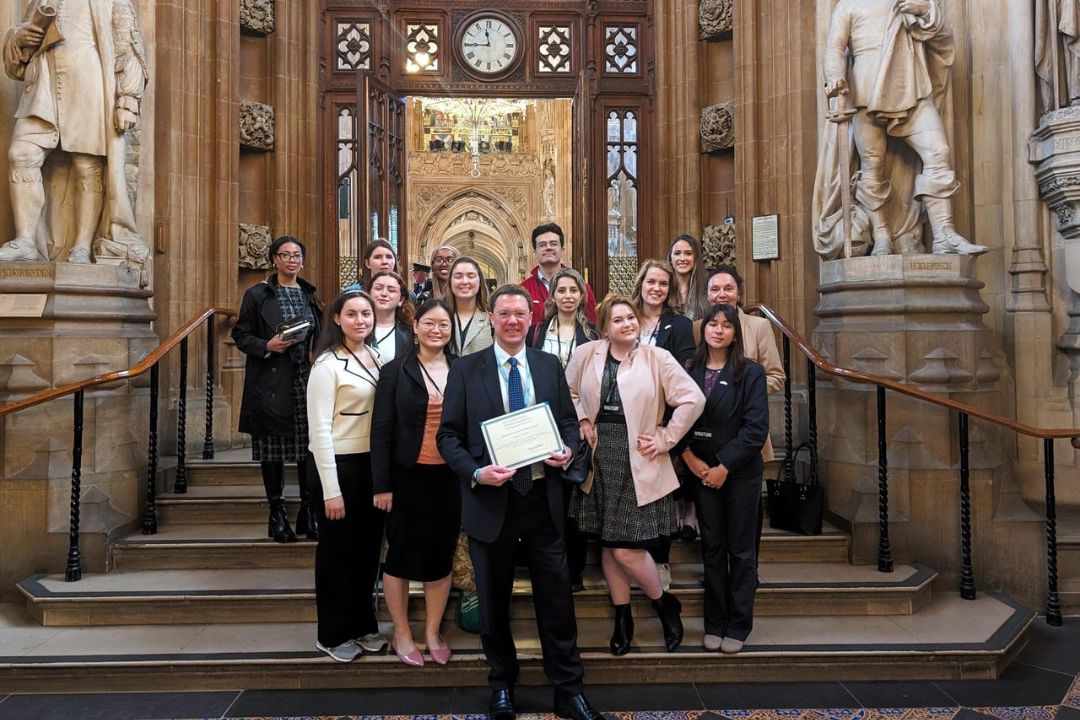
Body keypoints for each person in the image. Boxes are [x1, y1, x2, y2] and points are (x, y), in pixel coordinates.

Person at [437, 285, 603, 720]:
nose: (512, 321)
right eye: (504, 314)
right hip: (492, 501)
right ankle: (501, 686)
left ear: (531, 319)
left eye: (520, 314)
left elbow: (567, 423)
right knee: (493, 603)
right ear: (491, 318)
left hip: (543, 500)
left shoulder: (548, 366)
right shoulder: (466, 369)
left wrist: (567, 450)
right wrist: (477, 473)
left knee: (557, 600)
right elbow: (448, 437)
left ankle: (568, 689)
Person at [565, 296, 705, 657]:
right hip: (600, 457)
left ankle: (663, 603)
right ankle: (622, 618)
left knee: (624, 548)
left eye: (631, 317)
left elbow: (693, 398)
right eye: (618, 319)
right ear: (604, 327)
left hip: (639, 459)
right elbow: (569, 392)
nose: (627, 323)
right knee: (610, 543)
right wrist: (582, 419)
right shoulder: (586, 354)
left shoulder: (657, 357)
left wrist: (667, 437)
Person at [816, 0, 986, 257]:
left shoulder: (907, 0)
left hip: (909, 87)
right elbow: (835, 47)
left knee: (938, 151)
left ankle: (944, 235)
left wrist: (925, 11)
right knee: (872, 166)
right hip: (865, 91)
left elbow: (942, 38)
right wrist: (835, 76)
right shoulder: (848, 6)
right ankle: (882, 236)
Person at [0, 0, 148, 268]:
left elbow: (128, 44)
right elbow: (18, 60)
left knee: (87, 164)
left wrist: (128, 100)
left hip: (88, 82)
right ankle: (26, 241)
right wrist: (19, 38)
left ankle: (81, 246)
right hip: (43, 85)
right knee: (21, 154)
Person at [371, 299, 459, 668]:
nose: (436, 330)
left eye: (444, 324)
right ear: (416, 326)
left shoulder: (463, 368)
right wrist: (381, 485)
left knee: (440, 555)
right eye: (429, 323)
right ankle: (402, 631)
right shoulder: (395, 371)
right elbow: (381, 430)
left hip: (449, 477)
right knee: (401, 556)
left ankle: (433, 632)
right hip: (406, 475)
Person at [679, 303, 768, 655]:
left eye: (726, 325)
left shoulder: (751, 372)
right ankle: (714, 622)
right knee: (712, 548)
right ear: (703, 330)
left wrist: (723, 467)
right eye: (712, 324)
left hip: (739, 474)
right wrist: (690, 459)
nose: (718, 330)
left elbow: (755, 429)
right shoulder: (689, 369)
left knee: (741, 551)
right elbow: (675, 417)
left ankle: (738, 624)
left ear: (735, 332)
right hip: (701, 471)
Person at [305, 289, 388, 662]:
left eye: (366, 314)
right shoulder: (327, 365)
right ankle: (332, 633)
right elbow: (320, 431)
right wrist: (331, 490)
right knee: (337, 554)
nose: (360, 320)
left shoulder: (377, 357)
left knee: (367, 552)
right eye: (352, 314)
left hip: (370, 466)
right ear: (337, 319)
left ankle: (363, 624)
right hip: (337, 465)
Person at [232, 236, 321, 543]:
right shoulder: (257, 294)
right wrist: (266, 345)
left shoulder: (309, 295)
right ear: (274, 259)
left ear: (302, 261)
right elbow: (240, 334)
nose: (291, 260)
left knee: (307, 448)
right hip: (271, 381)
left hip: (304, 380)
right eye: (285, 255)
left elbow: (319, 335)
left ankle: (308, 510)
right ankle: (277, 513)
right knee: (273, 450)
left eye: (296, 255)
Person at [525, 267, 598, 592]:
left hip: (577, 423)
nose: (568, 296)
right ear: (552, 296)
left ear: (581, 296)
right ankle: (541, 564)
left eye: (573, 290)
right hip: (538, 421)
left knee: (572, 498)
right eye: (562, 290)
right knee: (540, 495)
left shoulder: (592, 334)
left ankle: (573, 569)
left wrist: (583, 418)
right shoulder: (536, 333)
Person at [521, 223, 598, 326]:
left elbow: (592, 325)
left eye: (553, 244)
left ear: (562, 250)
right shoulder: (524, 289)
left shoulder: (581, 288)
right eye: (542, 245)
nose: (548, 248)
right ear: (535, 252)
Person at [629, 260, 696, 367]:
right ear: (641, 284)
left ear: (670, 289)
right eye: (651, 282)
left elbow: (687, 368)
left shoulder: (682, 325)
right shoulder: (625, 321)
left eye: (663, 284)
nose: (656, 288)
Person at [448, 256, 493, 356]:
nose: (464, 281)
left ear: (480, 281)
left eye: (471, 276)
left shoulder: (492, 317)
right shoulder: (441, 315)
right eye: (458, 276)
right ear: (450, 281)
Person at [368, 270, 415, 364]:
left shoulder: (411, 332)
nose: (384, 294)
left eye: (391, 290)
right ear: (368, 294)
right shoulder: (356, 326)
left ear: (401, 300)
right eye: (378, 288)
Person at [668, 235, 710, 321]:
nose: (682, 258)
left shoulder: (708, 287)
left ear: (696, 258)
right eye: (677, 253)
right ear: (670, 258)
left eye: (688, 253)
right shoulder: (663, 287)